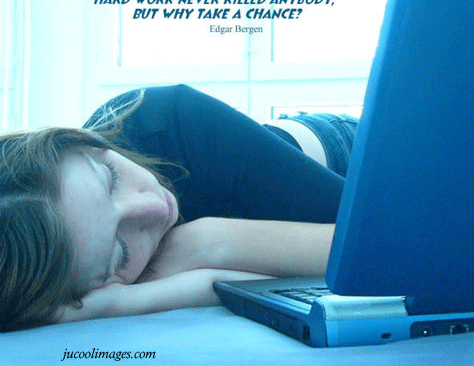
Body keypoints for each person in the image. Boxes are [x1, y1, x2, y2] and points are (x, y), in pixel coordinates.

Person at [0, 84, 358, 332]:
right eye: (121, 253)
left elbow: (376, 253)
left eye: (111, 178)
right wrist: (123, 303)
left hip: (347, 159)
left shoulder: (166, 120)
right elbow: (281, 287)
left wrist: (208, 241)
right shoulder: (88, 274)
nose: (153, 208)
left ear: (83, 142)